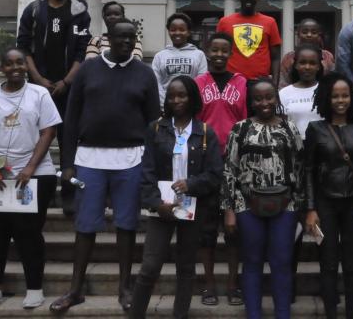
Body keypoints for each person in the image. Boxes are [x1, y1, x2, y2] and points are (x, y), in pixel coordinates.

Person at [51, 19, 161, 313]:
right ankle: (75, 289)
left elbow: (154, 123)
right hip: (89, 158)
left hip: (131, 158)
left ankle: (125, 289)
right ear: (107, 39)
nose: (126, 42)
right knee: (85, 225)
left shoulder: (145, 74)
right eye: (120, 37)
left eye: (131, 37)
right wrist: (67, 163)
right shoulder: (88, 70)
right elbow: (71, 119)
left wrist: (152, 165)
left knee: (127, 225)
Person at [0, 47, 60, 310]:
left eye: (20, 62)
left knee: (28, 231)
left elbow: (49, 131)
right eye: (9, 64)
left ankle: (34, 288)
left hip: (33, 174)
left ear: (27, 66)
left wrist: (30, 167)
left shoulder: (39, 94)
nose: (15, 68)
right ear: (2, 68)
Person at [129, 76, 223, 319]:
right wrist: (155, 204)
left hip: (192, 207)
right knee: (150, 266)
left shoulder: (205, 132)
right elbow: (147, 170)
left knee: (186, 266)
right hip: (161, 207)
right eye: (171, 96)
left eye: (182, 95)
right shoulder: (156, 129)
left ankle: (180, 314)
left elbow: (215, 174)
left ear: (192, 98)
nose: (176, 100)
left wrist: (191, 184)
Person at [223, 78, 305, 319]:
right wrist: (229, 210)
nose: (264, 102)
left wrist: (299, 205)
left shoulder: (289, 128)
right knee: (252, 261)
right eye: (258, 98)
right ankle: (254, 314)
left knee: (282, 261)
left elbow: (300, 167)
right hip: (247, 204)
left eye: (269, 97)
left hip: (285, 204)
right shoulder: (240, 129)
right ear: (251, 102)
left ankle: (283, 314)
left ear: (276, 99)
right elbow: (229, 170)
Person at [16, 0, 91, 215]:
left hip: (68, 88)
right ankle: (41, 191)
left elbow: (82, 50)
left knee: (68, 140)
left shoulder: (79, 12)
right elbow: (23, 48)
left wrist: (67, 81)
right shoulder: (34, 10)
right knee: (37, 139)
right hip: (38, 88)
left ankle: (68, 192)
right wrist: (38, 80)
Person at [304, 73, 353, 319]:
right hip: (325, 202)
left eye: (345, 96)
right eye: (335, 96)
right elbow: (308, 170)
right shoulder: (315, 129)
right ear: (327, 98)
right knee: (329, 262)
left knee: (352, 264)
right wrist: (310, 208)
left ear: (352, 98)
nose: (340, 100)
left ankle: (352, 313)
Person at [194, 32, 248, 307]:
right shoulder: (198, 83)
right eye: (214, 50)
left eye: (224, 50)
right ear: (206, 51)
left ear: (231, 53)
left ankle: (233, 284)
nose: (218, 55)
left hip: (234, 162)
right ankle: (209, 284)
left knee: (234, 229)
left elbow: (247, 121)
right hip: (205, 164)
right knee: (206, 230)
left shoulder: (242, 83)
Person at [218, 0, 282, 80]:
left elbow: (275, 58)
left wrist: (274, 84)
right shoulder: (224, 22)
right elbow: (219, 53)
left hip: (259, 82)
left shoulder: (270, 22)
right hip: (232, 81)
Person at [151, 12, 208, 106]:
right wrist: (165, 103)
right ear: (169, 31)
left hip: (191, 106)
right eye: (173, 30)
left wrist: (191, 102)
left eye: (182, 30)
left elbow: (201, 83)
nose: (177, 33)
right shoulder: (159, 56)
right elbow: (156, 83)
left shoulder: (199, 55)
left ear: (188, 32)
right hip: (166, 106)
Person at [279, 43, 324, 136]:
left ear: (318, 66)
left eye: (312, 63)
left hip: (323, 143)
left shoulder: (326, 90)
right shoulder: (284, 93)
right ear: (296, 65)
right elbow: (281, 125)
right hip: (294, 143)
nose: (307, 67)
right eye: (302, 62)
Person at [278, 18, 336, 88]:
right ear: (298, 35)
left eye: (314, 32)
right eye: (304, 32)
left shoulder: (327, 56)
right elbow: (283, 83)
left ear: (319, 35)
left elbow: (333, 81)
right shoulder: (288, 58)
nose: (309, 35)